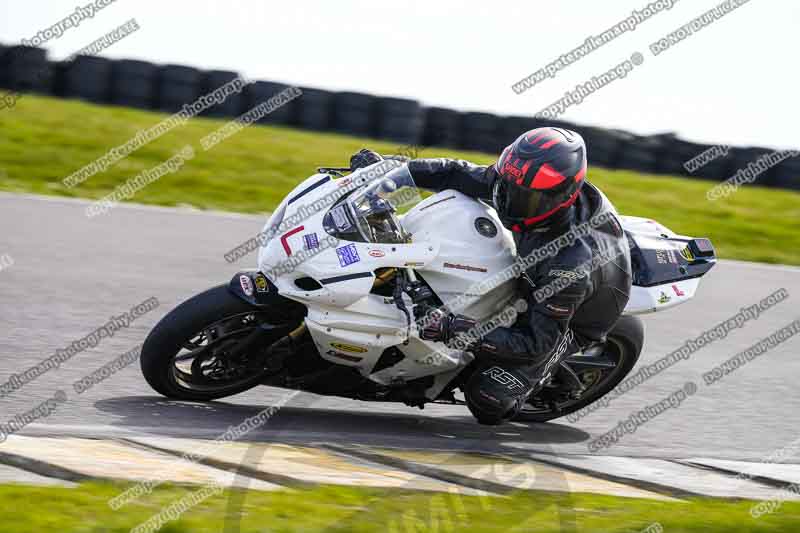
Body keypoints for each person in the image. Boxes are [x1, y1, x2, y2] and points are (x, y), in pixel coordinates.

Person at [350, 127, 632, 425]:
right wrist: (388, 172)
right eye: (505, 185)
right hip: (538, 274)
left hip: (577, 318)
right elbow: (453, 172)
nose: (508, 201)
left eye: (525, 198)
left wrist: (455, 328)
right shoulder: (515, 183)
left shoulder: (569, 263)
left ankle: (530, 381)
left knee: (489, 399)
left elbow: (534, 344)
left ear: (559, 198)